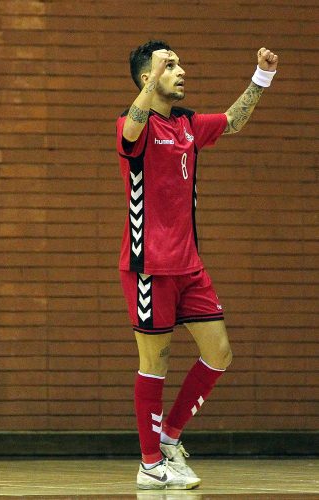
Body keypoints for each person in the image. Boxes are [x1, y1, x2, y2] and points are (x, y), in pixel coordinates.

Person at [115, 40, 278, 490]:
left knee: (219, 353)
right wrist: (147, 88)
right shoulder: (136, 125)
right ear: (147, 79)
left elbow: (233, 121)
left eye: (180, 62)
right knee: (155, 363)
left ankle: (169, 438)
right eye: (169, 65)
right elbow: (131, 129)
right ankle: (149, 465)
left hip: (189, 266)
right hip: (149, 265)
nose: (181, 70)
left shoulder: (187, 124)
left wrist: (262, 76)